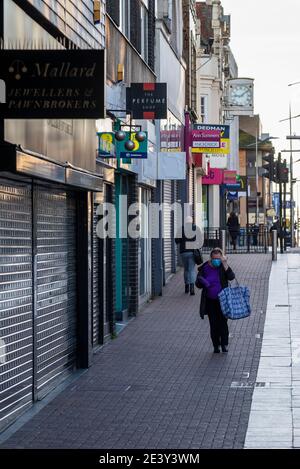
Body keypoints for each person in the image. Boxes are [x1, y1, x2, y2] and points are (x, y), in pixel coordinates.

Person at [196, 248, 235, 353]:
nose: (216, 261)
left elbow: (231, 277)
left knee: (223, 323)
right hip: (210, 300)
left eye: (219, 258)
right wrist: (202, 282)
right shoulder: (205, 268)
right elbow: (198, 283)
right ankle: (216, 345)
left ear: (221, 258)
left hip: (223, 300)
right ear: (211, 258)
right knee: (213, 324)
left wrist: (225, 264)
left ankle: (224, 344)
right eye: (214, 259)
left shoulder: (223, 267)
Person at [175, 216, 202, 296]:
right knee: (191, 270)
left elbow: (177, 240)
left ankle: (186, 286)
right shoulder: (196, 228)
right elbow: (200, 240)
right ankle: (192, 288)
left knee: (186, 269)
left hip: (183, 252)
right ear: (192, 221)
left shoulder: (181, 229)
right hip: (192, 252)